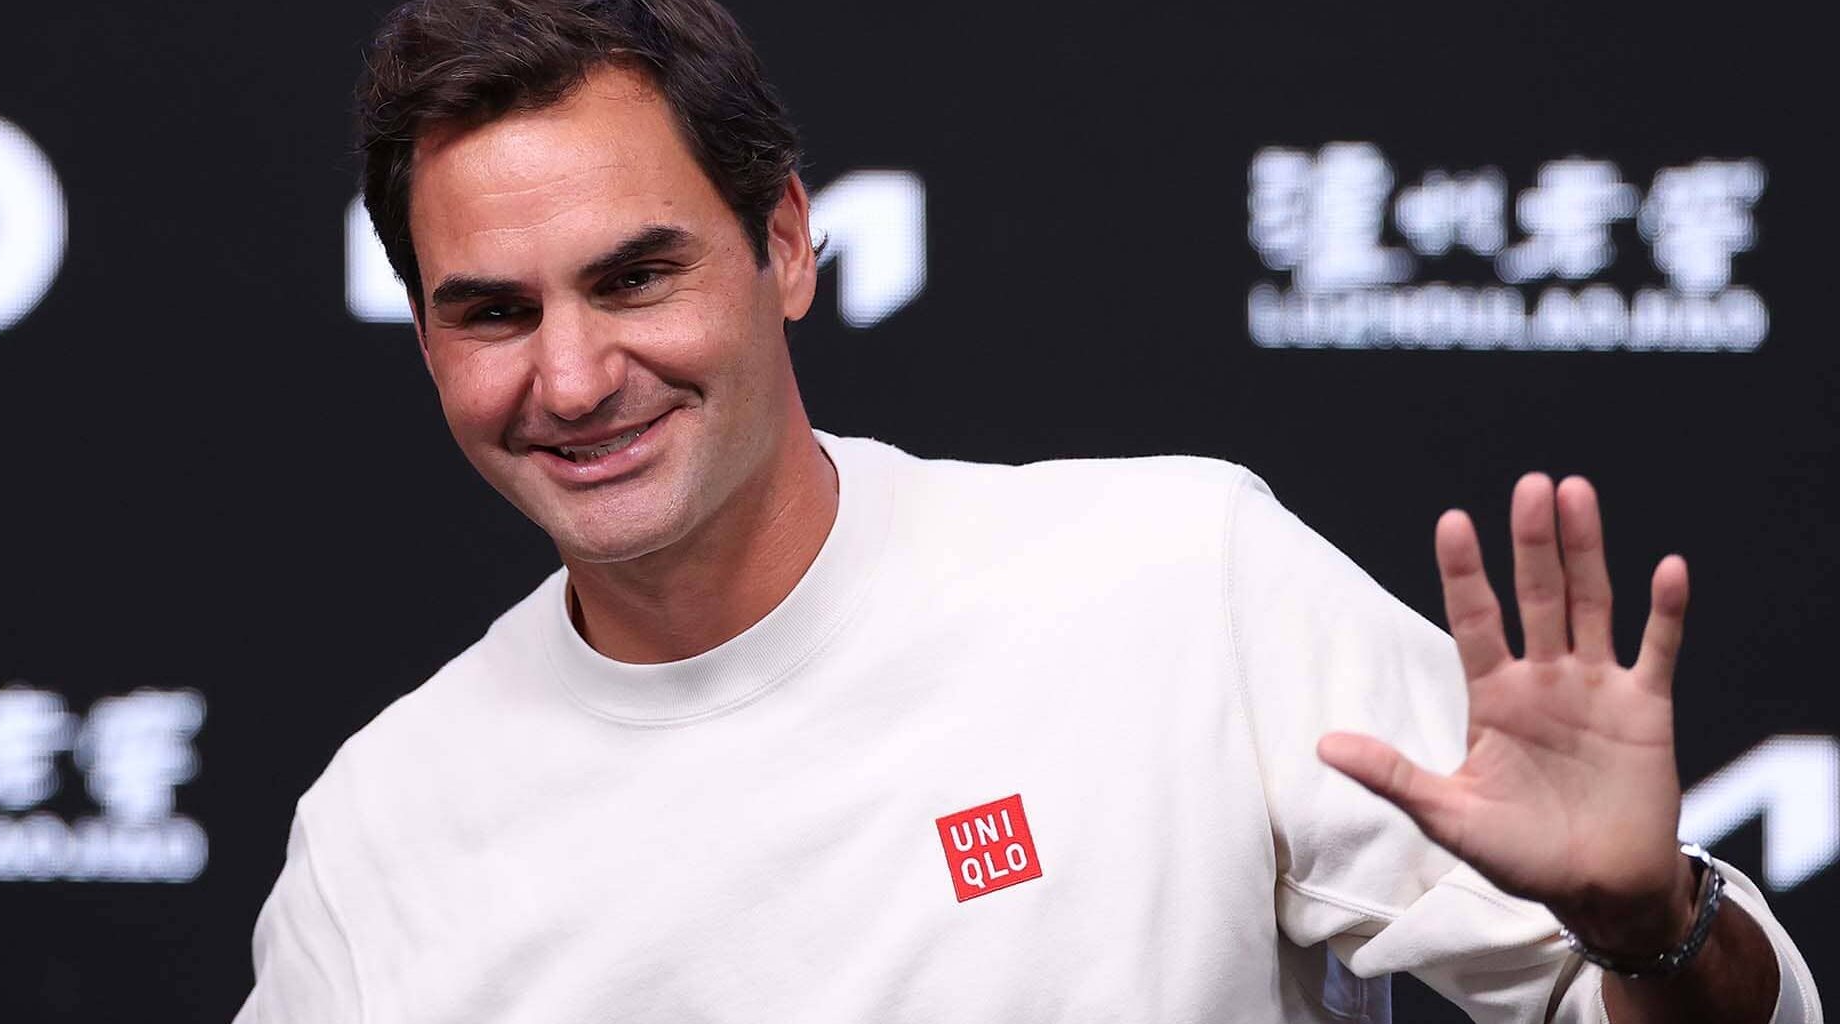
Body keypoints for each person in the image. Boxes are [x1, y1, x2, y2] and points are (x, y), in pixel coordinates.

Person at [237, 1, 1822, 1021]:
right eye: (493, 312)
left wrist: (1651, 923)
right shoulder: (379, 841)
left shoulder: (1172, 580)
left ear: (785, 245)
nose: (573, 378)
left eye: (637, 275)